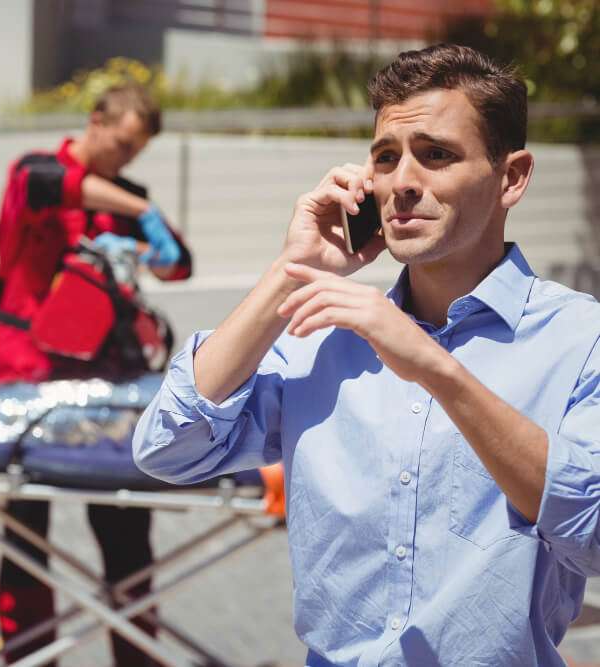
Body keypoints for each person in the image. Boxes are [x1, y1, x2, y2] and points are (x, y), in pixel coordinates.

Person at [134, 43, 600, 665]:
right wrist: (291, 271)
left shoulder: (580, 338)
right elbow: (169, 448)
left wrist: (437, 369)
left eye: (436, 155)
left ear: (511, 177)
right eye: (386, 157)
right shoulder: (318, 324)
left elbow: (593, 535)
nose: (403, 181)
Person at [0, 83, 192, 665]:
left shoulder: (124, 197)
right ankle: (29, 656)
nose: (126, 160)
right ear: (95, 120)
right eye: (122, 144)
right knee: (24, 536)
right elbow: (54, 185)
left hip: (105, 384)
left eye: (137, 152)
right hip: (27, 376)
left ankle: (135, 655)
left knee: (126, 532)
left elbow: (181, 265)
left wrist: (155, 240)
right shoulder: (33, 174)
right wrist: (141, 210)